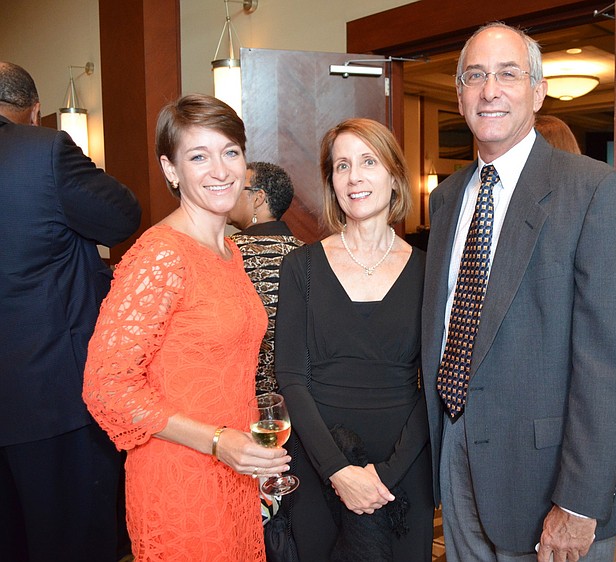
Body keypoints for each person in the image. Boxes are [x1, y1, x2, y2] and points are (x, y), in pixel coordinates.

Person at [421, 23, 616, 562]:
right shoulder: (449, 197)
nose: (490, 90)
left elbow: (612, 364)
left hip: (550, 478)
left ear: (538, 90)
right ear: (459, 96)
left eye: (508, 74)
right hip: (457, 457)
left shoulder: (596, 192)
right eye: (475, 76)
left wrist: (578, 501)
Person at [83, 93, 290, 561]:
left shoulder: (229, 251)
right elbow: (105, 387)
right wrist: (218, 441)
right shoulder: (160, 257)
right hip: (179, 477)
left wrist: (241, 447)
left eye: (230, 152)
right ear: (171, 169)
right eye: (199, 156)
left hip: (234, 473)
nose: (220, 170)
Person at [0, 61, 141, 562]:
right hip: (51, 399)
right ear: (35, 111)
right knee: (74, 542)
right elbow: (122, 215)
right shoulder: (42, 151)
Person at [275, 118, 433, 561]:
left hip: (403, 463)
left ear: (394, 176)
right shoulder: (300, 267)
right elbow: (290, 377)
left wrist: (386, 474)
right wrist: (338, 471)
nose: (355, 176)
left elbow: (439, 381)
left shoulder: (430, 270)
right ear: (332, 182)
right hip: (318, 458)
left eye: (368, 161)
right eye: (341, 166)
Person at [229, 161, 304, 396]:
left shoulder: (227, 254)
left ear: (258, 198)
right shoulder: (309, 255)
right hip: (296, 394)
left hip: (238, 391)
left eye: (236, 186)